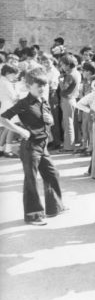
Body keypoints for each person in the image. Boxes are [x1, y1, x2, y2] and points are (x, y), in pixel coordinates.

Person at [0, 68, 65, 225]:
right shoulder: (24, 103)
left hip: (43, 145)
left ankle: (54, 207)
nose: (42, 88)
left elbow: (49, 122)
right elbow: (3, 118)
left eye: (44, 85)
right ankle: (33, 215)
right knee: (31, 180)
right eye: (38, 86)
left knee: (52, 174)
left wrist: (50, 120)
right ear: (29, 86)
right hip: (30, 146)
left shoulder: (43, 100)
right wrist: (21, 130)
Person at [58, 54, 81, 153]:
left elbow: (64, 90)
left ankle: (68, 146)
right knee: (71, 123)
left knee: (68, 124)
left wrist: (60, 81)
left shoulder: (70, 75)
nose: (62, 66)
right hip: (73, 99)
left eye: (63, 64)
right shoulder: (76, 73)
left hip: (68, 100)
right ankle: (73, 142)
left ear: (68, 64)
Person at [0, 64, 20, 158]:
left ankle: (1, 149)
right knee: (12, 128)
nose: (14, 76)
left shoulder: (2, 80)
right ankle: (8, 150)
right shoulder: (6, 83)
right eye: (13, 74)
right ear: (7, 73)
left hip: (4, 105)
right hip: (10, 106)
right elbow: (14, 97)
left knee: (6, 128)